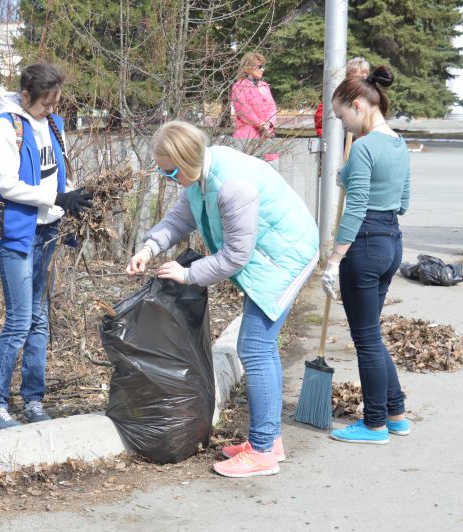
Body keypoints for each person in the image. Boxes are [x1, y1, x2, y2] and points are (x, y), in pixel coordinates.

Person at [127, 120, 319, 478]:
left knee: (255, 347)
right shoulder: (202, 175)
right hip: (268, 256)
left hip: (284, 257)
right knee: (260, 346)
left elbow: (235, 257)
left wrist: (186, 275)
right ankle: (269, 442)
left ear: (184, 162)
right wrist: (149, 247)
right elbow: (180, 218)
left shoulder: (232, 186)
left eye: (168, 171)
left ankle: (262, 450)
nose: (166, 178)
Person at [0, 63, 93, 430]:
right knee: (18, 321)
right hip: (18, 234)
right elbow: (8, 186)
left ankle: (33, 400)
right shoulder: (6, 127)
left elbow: (60, 172)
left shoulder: (54, 126)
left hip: (49, 231)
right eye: (45, 103)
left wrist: (74, 196)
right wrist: (57, 196)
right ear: (25, 96)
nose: (51, 109)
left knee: (40, 318)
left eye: (55, 102)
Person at [323, 66, 411, 444]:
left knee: (366, 339)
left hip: (365, 245)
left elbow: (355, 207)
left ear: (358, 105)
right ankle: (396, 413)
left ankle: (374, 423)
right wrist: (355, 177)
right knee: (372, 336)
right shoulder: (398, 143)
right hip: (392, 240)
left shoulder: (364, 147)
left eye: (342, 116)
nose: (343, 125)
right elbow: (403, 201)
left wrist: (334, 259)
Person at [230, 52, 279, 168]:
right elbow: (243, 110)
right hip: (247, 137)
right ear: (248, 67)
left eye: (263, 66)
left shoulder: (264, 85)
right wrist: (260, 124)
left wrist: (269, 123)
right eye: (259, 66)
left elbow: (272, 106)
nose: (262, 69)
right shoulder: (239, 86)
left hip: (267, 136)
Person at [315, 57, 370, 137]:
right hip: (341, 144)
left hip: (362, 143)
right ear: (347, 76)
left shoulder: (369, 97)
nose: (360, 82)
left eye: (363, 78)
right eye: (356, 78)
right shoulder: (338, 95)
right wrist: (331, 140)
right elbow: (320, 121)